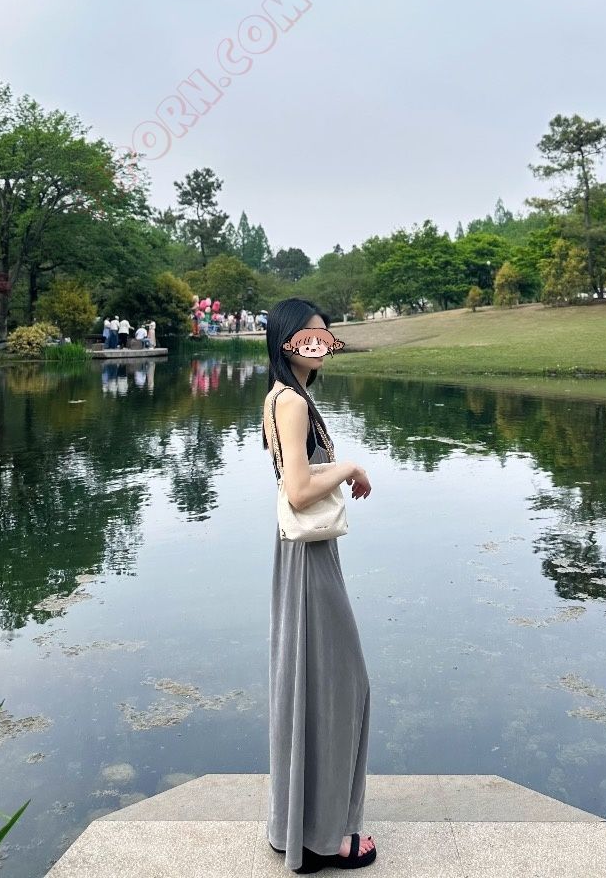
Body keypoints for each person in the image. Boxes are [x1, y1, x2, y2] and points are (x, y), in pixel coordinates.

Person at [261, 298, 375, 873]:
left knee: (310, 682)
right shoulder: (292, 403)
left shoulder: (283, 396)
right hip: (307, 555)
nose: (321, 343)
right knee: (339, 684)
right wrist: (349, 467)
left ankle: (298, 827)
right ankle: (324, 836)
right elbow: (300, 490)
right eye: (312, 335)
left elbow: (296, 477)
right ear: (288, 341)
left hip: (302, 551)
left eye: (326, 336)